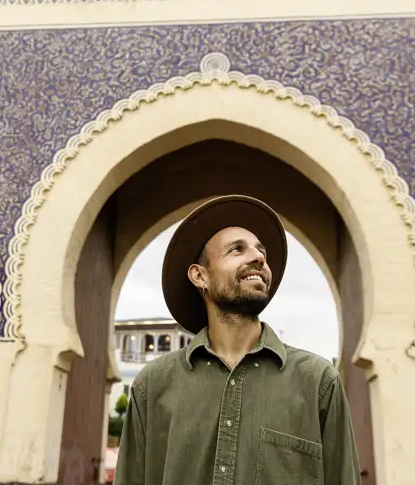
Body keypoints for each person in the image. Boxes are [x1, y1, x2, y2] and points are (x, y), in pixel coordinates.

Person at [113, 195, 361, 485]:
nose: (259, 258)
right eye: (237, 249)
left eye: (261, 251)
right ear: (200, 276)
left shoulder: (317, 382)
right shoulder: (153, 385)